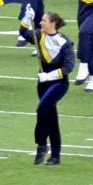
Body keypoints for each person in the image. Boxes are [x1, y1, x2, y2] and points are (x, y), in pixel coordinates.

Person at [34, 12, 76, 166]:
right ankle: (55, 156)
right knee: (52, 118)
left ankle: (41, 144)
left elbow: (69, 66)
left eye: (43, 20)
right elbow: (25, 34)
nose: (40, 23)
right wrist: (26, 20)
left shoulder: (64, 42)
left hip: (58, 83)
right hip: (42, 83)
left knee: (43, 108)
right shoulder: (39, 35)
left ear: (52, 23)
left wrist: (50, 76)